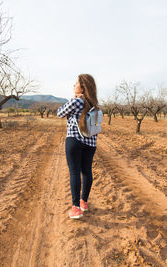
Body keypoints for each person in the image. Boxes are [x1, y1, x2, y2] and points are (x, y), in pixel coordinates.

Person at [57, 74, 99, 219]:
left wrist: (74, 99)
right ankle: (84, 203)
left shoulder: (76, 102)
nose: (73, 86)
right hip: (91, 143)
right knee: (87, 171)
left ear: (83, 87)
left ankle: (75, 208)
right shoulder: (95, 105)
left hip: (74, 140)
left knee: (74, 172)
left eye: (75, 84)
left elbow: (59, 113)